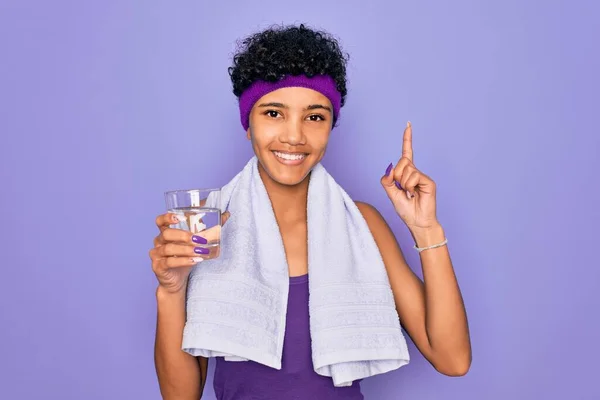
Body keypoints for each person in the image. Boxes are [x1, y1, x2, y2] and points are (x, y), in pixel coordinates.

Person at [149, 23, 471, 400]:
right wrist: (171, 291)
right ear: (247, 124)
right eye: (273, 113)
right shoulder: (206, 229)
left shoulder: (363, 225)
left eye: (314, 117)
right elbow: (181, 396)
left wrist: (426, 228)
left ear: (331, 126)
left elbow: (453, 360)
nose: (294, 136)